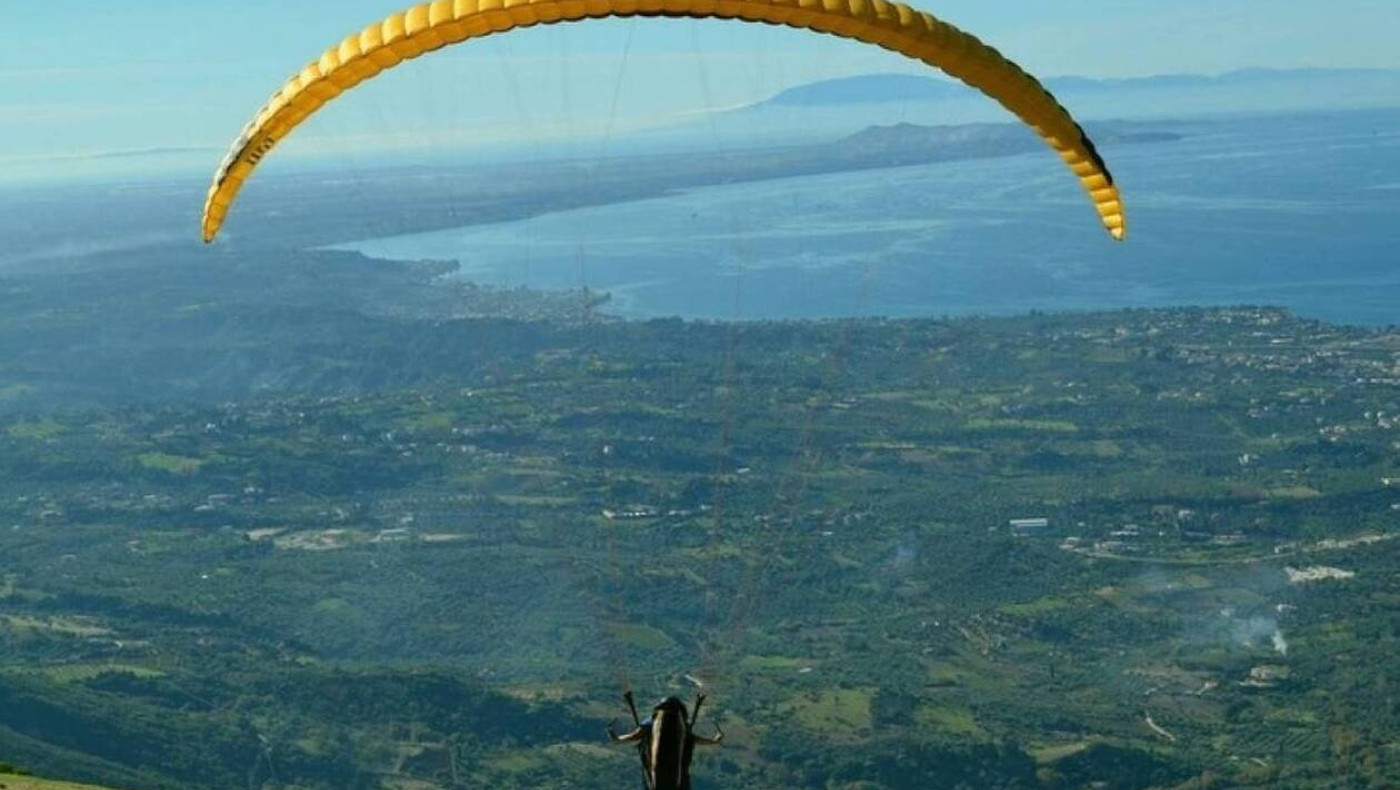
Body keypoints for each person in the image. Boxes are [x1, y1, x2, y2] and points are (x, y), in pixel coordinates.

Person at [608, 691, 723, 790]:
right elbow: (693, 738)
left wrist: (618, 738)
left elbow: (636, 735)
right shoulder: (681, 725)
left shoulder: (653, 723)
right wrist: (714, 740)